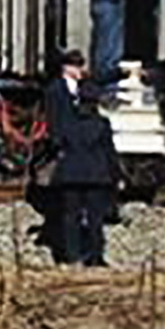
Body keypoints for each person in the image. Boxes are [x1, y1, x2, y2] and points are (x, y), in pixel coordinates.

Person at [52, 95, 120, 267]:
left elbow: (57, 143)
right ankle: (95, 257)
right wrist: (116, 175)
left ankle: (71, 256)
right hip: (96, 176)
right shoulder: (102, 124)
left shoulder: (66, 123)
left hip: (71, 175)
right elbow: (109, 152)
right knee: (95, 219)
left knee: (70, 218)